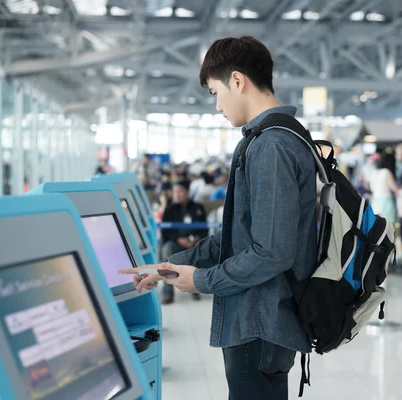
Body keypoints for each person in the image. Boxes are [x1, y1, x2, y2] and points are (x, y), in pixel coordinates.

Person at [119, 36, 317, 400]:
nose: (216, 107)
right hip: (260, 321)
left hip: (259, 323)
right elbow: (236, 236)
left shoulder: (271, 145)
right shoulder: (274, 138)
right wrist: (169, 266)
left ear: (237, 81)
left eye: (214, 92)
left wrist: (204, 280)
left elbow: (272, 251)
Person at [159, 181, 208, 304]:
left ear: (187, 192)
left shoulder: (198, 208)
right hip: (175, 243)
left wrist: (197, 238)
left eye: (180, 191)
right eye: (175, 192)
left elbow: (205, 228)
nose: (177, 195)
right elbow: (165, 232)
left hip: (195, 243)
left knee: (203, 249)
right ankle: (167, 291)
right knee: (167, 250)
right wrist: (178, 239)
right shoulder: (169, 210)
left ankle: (195, 285)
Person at [369, 152, 398, 224]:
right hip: (386, 202)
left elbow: (371, 188)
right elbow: (394, 188)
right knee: (388, 226)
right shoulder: (386, 172)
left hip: (375, 202)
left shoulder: (374, 172)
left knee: (377, 227)